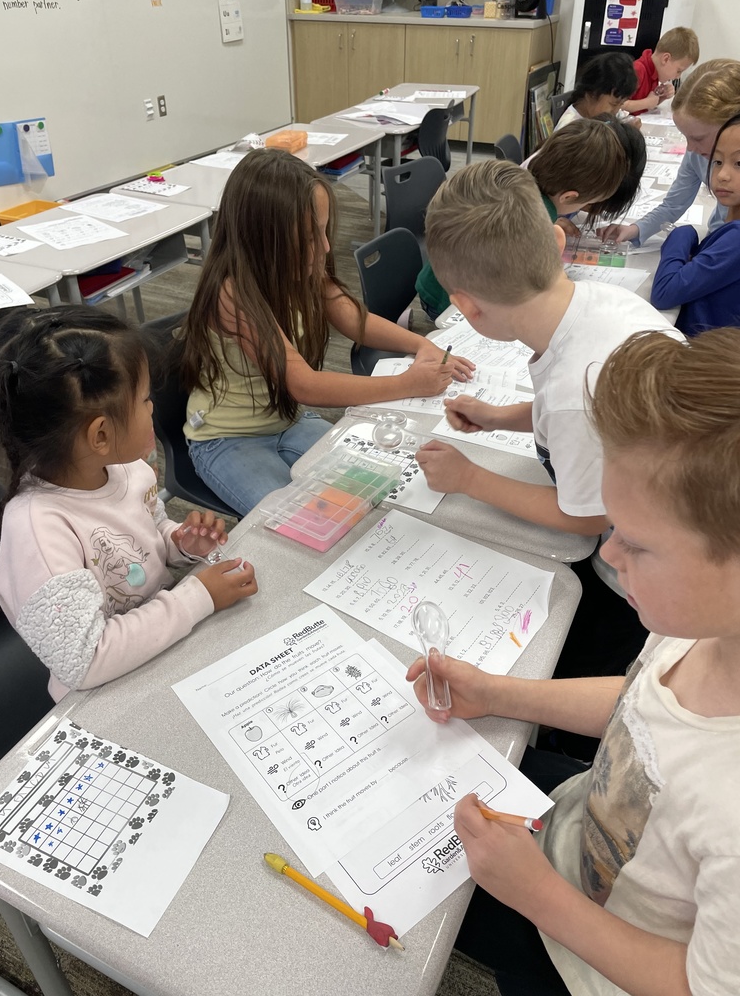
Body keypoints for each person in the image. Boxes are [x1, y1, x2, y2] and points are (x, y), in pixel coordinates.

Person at [407, 327, 740, 996]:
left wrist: (535, 895)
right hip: (570, 830)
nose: (610, 557)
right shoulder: (702, 625)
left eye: (639, 546)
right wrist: (497, 692)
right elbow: (643, 705)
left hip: (588, 961)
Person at [414, 160, 681, 700]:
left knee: (578, 666)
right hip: (684, 534)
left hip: (647, 589)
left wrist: (468, 478)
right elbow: (594, 421)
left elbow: (582, 519)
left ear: (466, 308)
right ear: (557, 240)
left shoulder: (572, 393)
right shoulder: (603, 305)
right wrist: (501, 416)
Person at [0, 307, 258, 703]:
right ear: (101, 434)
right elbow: (87, 661)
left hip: (167, 647)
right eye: (145, 400)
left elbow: (148, 530)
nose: (151, 409)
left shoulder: (126, 468)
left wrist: (180, 543)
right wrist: (198, 596)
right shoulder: (38, 530)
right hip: (109, 694)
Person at [180, 147, 474, 517]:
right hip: (228, 440)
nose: (325, 246)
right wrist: (410, 383)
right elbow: (303, 384)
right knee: (304, 521)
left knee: (380, 493)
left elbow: (354, 319)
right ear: (262, 239)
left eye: (322, 229)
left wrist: (421, 345)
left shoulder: (299, 265)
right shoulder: (233, 292)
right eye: (308, 237)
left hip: (287, 420)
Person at [416, 117, 636, 319]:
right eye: (589, 204)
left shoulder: (523, 182)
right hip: (447, 304)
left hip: (440, 283)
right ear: (569, 196)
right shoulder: (536, 215)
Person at [602, 58, 740, 246]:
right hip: (717, 239)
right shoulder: (698, 154)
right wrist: (636, 229)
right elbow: (674, 204)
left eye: (698, 138)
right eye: (686, 137)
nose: (690, 148)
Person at [651, 112, 740, 334]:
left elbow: (664, 293)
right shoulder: (731, 226)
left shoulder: (736, 238)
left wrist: (682, 235)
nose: (722, 175)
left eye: (739, 163)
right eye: (717, 161)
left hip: (701, 354)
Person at [624, 26, 699, 116]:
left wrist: (661, 98)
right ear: (666, 59)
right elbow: (618, 105)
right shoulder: (638, 70)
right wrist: (647, 102)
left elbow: (643, 107)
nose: (678, 76)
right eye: (679, 71)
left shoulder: (655, 74)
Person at [554, 52, 639, 131]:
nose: (615, 111)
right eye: (614, 104)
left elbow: (622, 117)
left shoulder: (600, 116)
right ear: (592, 94)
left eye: (621, 104)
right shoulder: (570, 131)